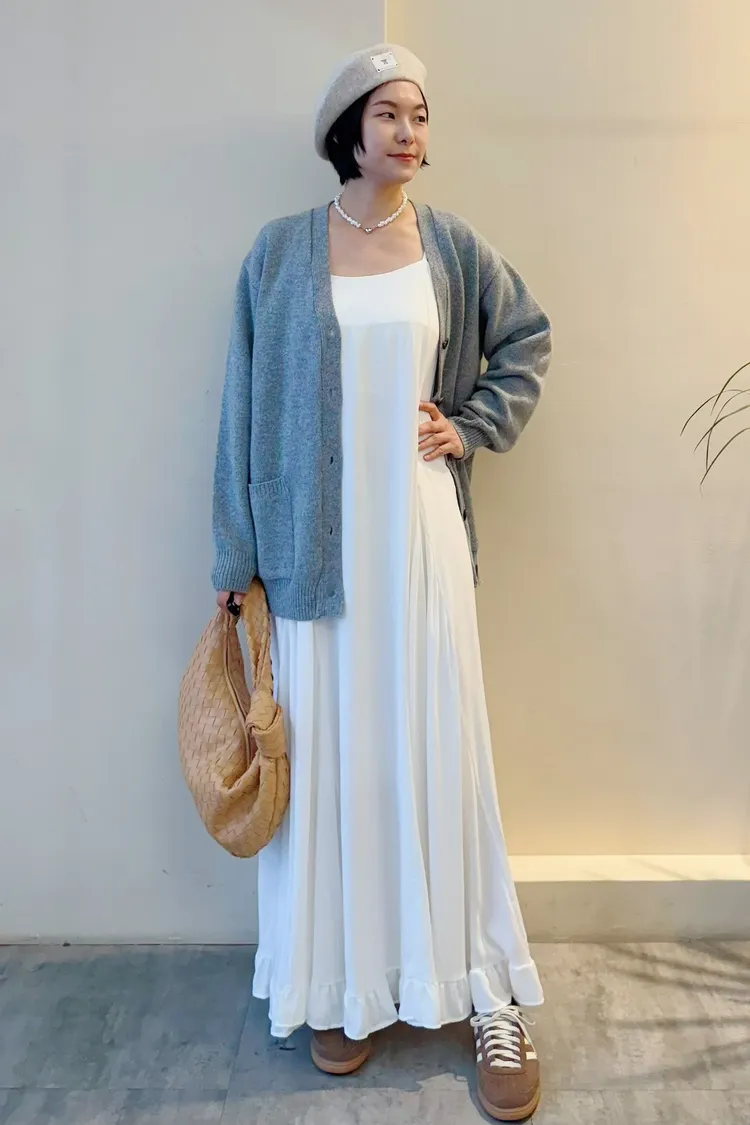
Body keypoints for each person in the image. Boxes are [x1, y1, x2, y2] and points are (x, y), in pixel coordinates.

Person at [210, 42, 552, 1124]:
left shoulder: (451, 246)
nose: (410, 132)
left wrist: (472, 423)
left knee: (444, 754)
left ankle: (487, 989)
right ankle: (342, 987)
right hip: (309, 554)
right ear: (348, 132)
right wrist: (234, 560)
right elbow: (240, 410)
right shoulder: (278, 253)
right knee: (335, 765)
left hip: (419, 538)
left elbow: (525, 341)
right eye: (389, 114)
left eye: (421, 115)